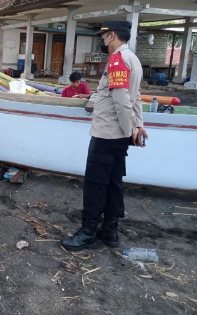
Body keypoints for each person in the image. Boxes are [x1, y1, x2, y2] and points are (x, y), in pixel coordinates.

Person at [60, 20, 148, 251]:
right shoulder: (134, 60)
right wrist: (137, 126)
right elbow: (135, 97)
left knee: (95, 184)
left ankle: (88, 232)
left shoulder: (118, 60)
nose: (102, 41)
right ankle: (110, 230)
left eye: (103, 37)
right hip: (121, 135)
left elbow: (121, 101)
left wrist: (130, 129)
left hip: (108, 134)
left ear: (111, 36)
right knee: (113, 182)